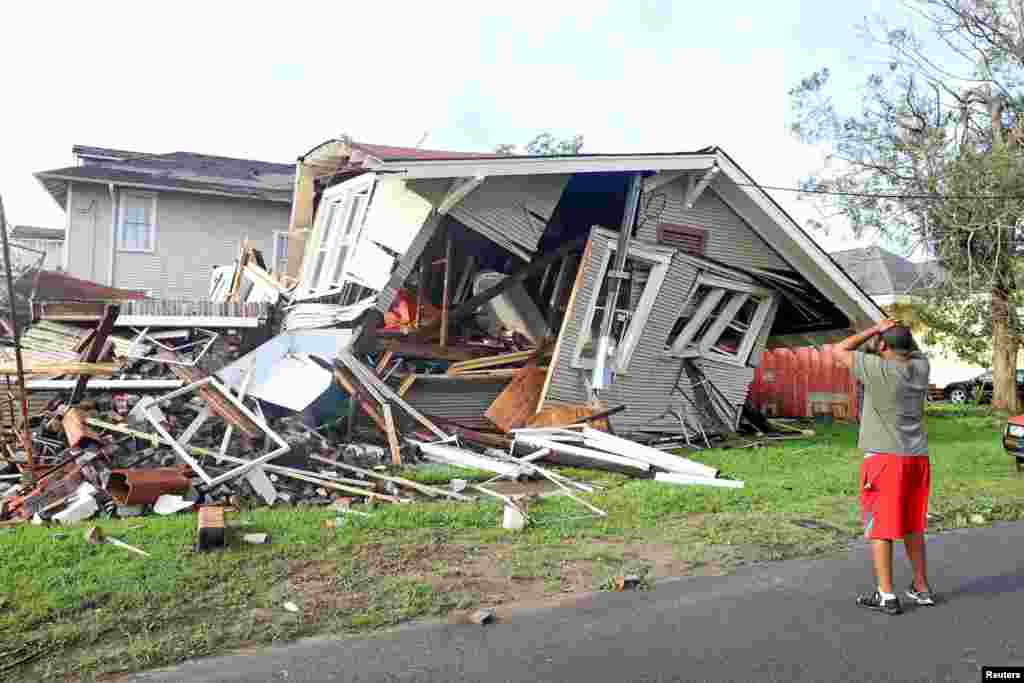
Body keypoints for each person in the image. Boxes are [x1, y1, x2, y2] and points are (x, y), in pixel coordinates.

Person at [834, 318, 935, 615]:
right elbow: (909, 348)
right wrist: (897, 334)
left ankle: (886, 595)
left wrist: (874, 329)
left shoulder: (878, 368)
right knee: (912, 524)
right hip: (917, 457)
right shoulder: (921, 368)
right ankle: (921, 588)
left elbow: (839, 349)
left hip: (884, 460)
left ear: (882, 346)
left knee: (881, 526)